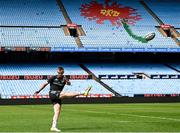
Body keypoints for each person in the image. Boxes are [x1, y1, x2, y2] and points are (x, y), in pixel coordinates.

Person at [34, 66, 92, 132]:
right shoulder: (53, 77)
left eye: (61, 73)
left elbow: (69, 84)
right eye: (59, 73)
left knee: (57, 111)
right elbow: (45, 84)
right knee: (64, 93)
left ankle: (53, 127)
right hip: (53, 93)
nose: (60, 74)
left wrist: (67, 80)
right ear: (57, 72)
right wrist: (39, 90)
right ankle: (82, 92)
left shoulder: (64, 78)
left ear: (63, 72)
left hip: (58, 95)